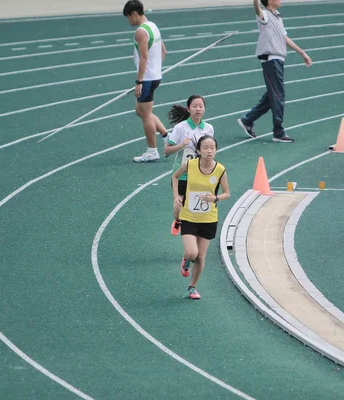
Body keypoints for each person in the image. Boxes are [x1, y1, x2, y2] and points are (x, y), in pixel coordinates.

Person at [237, 0, 312, 143]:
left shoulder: (277, 16)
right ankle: (278, 132)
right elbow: (257, 10)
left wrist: (302, 53)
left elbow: (284, 38)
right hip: (271, 59)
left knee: (273, 95)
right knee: (278, 94)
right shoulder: (264, 15)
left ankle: (248, 120)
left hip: (278, 59)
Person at [171, 136, 229, 300]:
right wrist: (176, 196)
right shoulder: (190, 165)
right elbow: (175, 176)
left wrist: (215, 198)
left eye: (212, 148)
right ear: (198, 151)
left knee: (201, 256)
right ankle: (186, 260)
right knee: (191, 253)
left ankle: (192, 287)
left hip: (209, 218)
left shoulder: (220, 170)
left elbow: (227, 193)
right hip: (189, 216)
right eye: (205, 148)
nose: (209, 151)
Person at [123, 0, 169, 162]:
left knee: (146, 115)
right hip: (154, 76)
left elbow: (144, 57)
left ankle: (152, 151)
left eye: (129, 17)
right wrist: (156, 69)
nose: (129, 21)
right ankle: (167, 136)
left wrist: (139, 82)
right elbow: (164, 51)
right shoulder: (153, 26)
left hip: (147, 79)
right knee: (141, 111)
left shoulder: (141, 32)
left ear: (135, 14)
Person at [164, 95, 215, 236]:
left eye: (201, 106)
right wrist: (181, 145)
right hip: (182, 174)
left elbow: (210, 150)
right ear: (188, 109)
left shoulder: (209, 129)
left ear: (204, 109)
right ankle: (178, 220)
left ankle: (190, 242)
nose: (198, 109)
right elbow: (166, 150)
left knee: (194, 212)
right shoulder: (180, 128)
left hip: (199, 175)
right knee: (178, 209)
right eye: (194, 106)